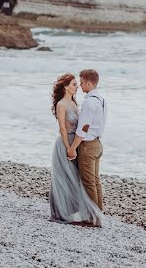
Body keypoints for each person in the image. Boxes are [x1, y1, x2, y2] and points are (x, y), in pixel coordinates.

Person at [49, 73, 103, 227]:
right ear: (66, 87)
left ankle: (82, 212)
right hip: (66, 144)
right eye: (74, 84)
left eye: (77, 83)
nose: (77, 86)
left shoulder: (74, 103)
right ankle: (61, 211)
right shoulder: (61, 104)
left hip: (77, 143)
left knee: (75, 178)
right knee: (65, 177)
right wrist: (68, 148)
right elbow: (62, 129)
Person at [67, 68, 106, 211]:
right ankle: (98, 214)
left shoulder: (89, 102)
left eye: (82, 83)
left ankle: (92, 217)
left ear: (89, 84)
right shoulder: (101, 99)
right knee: (95, 182)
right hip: (97, 143)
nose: (80, 86)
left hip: (88, 146)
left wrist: (72, 148)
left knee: (89, 183)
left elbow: (83, 128)